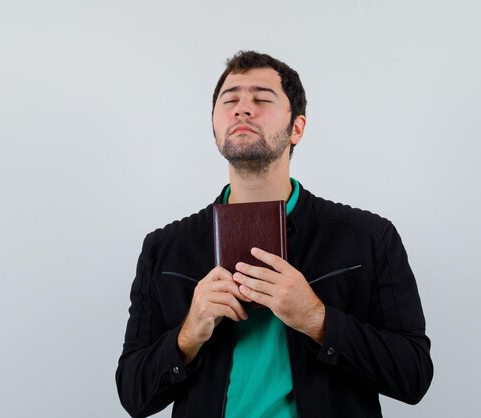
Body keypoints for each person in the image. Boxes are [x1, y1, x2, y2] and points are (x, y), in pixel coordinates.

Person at [116, 50, 433, 418]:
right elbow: (133, 394)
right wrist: (188, 335)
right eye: (230, 99)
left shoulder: (369, 238)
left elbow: (413, 377)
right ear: (215, 128)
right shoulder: (164, 249)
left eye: (262, 99)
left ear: (297, 127)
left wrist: (317, 319)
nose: (242, 109)